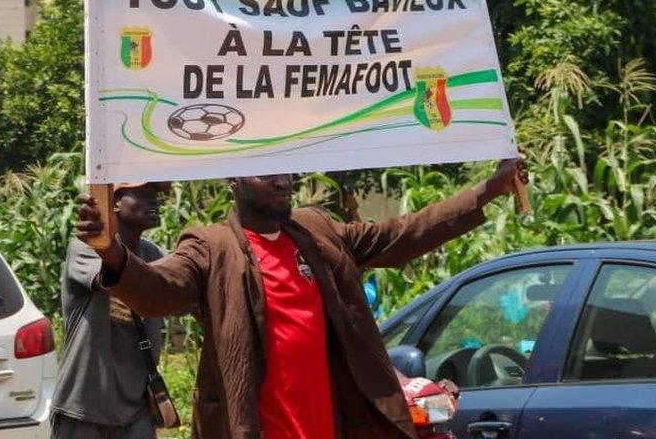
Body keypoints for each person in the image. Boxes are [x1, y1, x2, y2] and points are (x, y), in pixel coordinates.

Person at [77, 159, 527, 439]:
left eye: (287, 169)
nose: (282, 179)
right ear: (234, 178)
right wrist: (113, 254)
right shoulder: (212, 245)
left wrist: (488, 190)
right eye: (268, 170)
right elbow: (160, 291)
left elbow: (402, 234)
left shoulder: (318, 231)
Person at [51, 182, 168, 439]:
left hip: (135, 408)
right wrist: (106, 243)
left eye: (155, 195)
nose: (154, 201)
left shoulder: (153, 254)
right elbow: (112, 274)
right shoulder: (86, 247)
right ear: (114, 203)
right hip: (85, 406)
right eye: (143, 195)